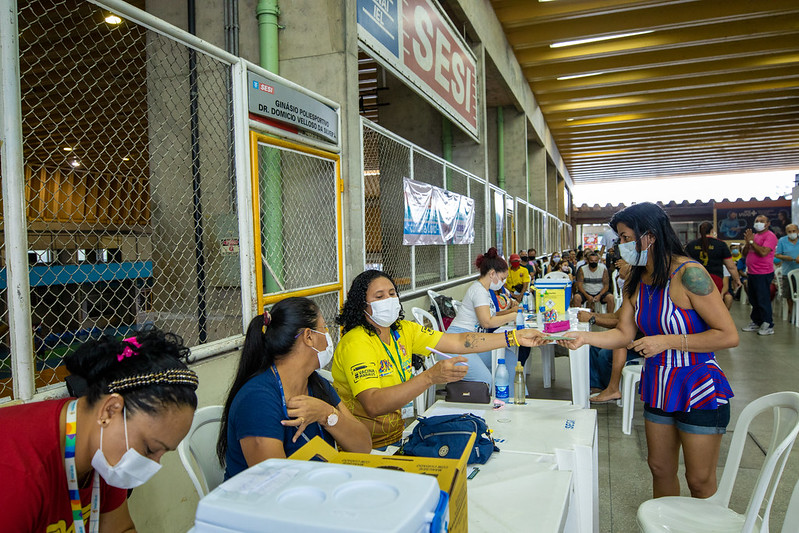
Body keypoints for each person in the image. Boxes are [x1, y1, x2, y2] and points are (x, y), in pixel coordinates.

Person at [558, 202, 738, 499]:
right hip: (659, 385)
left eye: (627, 237)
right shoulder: (637, 280)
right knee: (659, 467)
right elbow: (623, 333)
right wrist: (583, 339)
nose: (621, 245)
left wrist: (668, 341)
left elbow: (728, 335)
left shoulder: (689, 274)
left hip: (699, 386)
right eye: (619, 238)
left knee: (699, 479)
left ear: (650, 236)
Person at [1, 329, 199, 531]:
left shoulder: (101, 450)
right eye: (149, 449)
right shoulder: (16, 475)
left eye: (162, 454)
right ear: (110, 410)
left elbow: (120, 529)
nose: (153, 464)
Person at [332, 269, 546, 448]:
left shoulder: (403, 331)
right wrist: (429, 377)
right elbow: (373, 405)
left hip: (398, 435)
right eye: (379, 297)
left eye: (392, 293)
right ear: (362, 304)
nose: (388, 300)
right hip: (366, 448)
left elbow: (460, 341)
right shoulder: (357, 343)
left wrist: (514, 337)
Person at [218, 298, 371, 479]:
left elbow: (363, 446)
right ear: (308, 336)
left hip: (314, 489)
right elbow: (274, 483)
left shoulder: (316, 383)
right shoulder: (257, 400)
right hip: (260, 502)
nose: (328, 336)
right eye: (324, 328)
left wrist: (327, 414)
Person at [741, 214, 778, 336]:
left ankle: (768, 324)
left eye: (761, 221)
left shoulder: (770, 236)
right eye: (757, 221)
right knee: (753, 299)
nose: (758, 223)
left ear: (768, 224)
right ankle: (756, 321)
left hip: (763, 273)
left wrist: (751, 241)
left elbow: (763, 252)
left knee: (763, 299)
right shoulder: (755, 236)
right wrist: (748, 243)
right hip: (752, 272)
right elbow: (744, 254)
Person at [685, 221, 741, 295]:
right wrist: (737, 280)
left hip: (695, 279)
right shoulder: (721, 245)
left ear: (700, 232)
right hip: (715, 279)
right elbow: (731, 267)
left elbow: (684, 263)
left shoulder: (691, 245)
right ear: (712, 231)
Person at [774, 223, 799, 319]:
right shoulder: (782, 241)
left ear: (798, 231)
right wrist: (786, 257)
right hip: (787, 272)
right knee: (789, 295)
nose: (792, 233)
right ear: (786, 232)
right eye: (789, 232)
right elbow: (777, 255)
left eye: (794, 231)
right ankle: (792, 313)